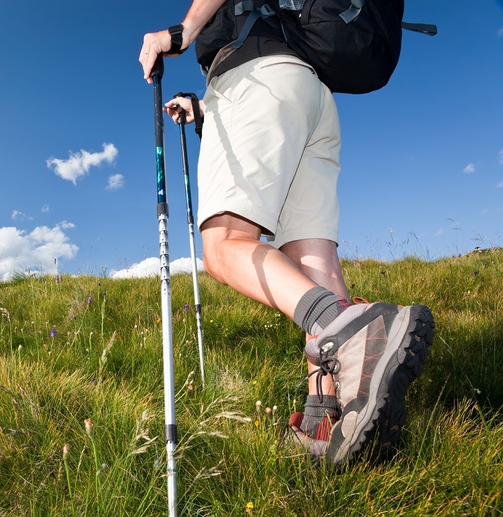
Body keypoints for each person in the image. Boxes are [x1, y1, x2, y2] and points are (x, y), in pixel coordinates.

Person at [139, 0, 434, 465]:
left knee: (222, 246)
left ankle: (351, 332)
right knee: (312, 267)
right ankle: (335, 417)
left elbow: (243, 64)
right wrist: (203, 109)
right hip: (308, 94)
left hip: (255, 81)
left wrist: (180, 32)